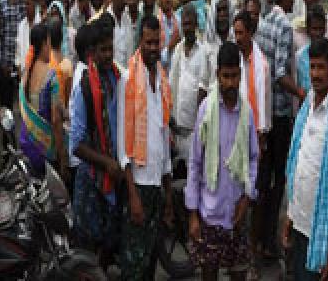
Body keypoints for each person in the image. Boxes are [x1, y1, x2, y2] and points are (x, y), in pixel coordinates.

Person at [185, 41, 259, 281]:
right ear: (217, 75)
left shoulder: (246, 114)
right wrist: (193, 214)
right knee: (209, 274)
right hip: (210, 213)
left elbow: (253, 159)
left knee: (238, 273)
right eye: (225, 76)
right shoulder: (206, 111)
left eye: (234, 76)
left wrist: (247, 198)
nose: (230, 83)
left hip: (237, 211)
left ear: (240, 74)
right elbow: (195, 163)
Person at [115, 15, 174, 281]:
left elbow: (163, 136)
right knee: (133, 263)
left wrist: (169, 193)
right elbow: (122, 146)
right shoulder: (127, 80)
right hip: (137, 185)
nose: (153, 48)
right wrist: (133, 195)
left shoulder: (162, 79)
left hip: (156, 186)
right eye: (148, 42)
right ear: (140, 40)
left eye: (156, 42)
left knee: (150, 260)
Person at [255, 0, 308, 265]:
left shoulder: (264, 20)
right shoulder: (285, 26)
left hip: (265, 111)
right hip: (280, 113)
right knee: (280, 179)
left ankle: (262, 239)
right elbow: (278, 72)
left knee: (266, 181)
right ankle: (270, 242)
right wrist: (302, 93)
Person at [281, 36, 328, 281]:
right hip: (301, 222)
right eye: (312, 67)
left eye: (321, 67)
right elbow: (298, 164)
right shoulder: (307, 106)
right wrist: (290, 217)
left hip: (325, 233)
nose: (315, 74)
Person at [70, 17, 122, 267]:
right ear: (92, 52)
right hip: (92, 179)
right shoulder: (84, 87)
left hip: (113, 175)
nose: (108, 55)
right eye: (103, 50)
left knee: (109, 245)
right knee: (90, 251)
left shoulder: (115, 79)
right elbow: (77, 145)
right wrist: (106, 163)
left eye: (111, 49)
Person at [19, 23, 66, 177]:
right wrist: (62, 158)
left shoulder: (26, 74)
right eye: (49, 43)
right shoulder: (51, 76)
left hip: (26, 143)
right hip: (44, 150)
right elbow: (56, 120)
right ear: (45, 44)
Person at [170, 5, 210, 158]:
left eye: (190, 23)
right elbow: (172, 83)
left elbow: (203, 87)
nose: (187, 28)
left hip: (195, 127)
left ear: (196, 25)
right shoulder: (178, 50)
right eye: (184, 24)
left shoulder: (203, 51)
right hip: (177, 126)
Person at [231, 11, 272, 144]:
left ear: (250, 33)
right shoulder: (231, 60)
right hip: (233, 127)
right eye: (235, 33)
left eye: (240, 33)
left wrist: (262, 134)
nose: (237, 38)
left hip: (254, 130)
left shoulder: (263, 65)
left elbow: (265, 102)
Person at [0, 0, 28, 110]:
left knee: (24, 104)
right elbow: (0, 31)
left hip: (23, 61)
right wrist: (3, 62)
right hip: (7, 62)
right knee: (6, 105)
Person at [296, 6, 326, 95]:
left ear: (325, 28)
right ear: (308, 30)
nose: (318, 33)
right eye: (314, 29)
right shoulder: (300, 57)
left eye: (321, 28)